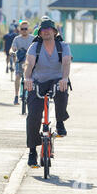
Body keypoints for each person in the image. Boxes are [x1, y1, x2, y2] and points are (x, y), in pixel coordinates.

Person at [23, 19, 72, 167]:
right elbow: (29, 63)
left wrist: (65, 78)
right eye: (43, 29)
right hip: (38, 81)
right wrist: (27, 78)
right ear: (39, 32)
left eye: (49, 29)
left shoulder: (62, 46)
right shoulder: (34, 47)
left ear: (54, 31)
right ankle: (32, 151)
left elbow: (66, 63)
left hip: (56, 80)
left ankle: (60, 122)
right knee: (33, 116)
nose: (46, 31)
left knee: (62, 89)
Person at [11, 20, 35, 105]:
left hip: (30, 62)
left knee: (33, 78)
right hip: (20, 61)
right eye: (22, 29)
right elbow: (13, 48)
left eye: (26, 28)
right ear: (19, 29)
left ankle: (32, 95)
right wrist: (12, 51)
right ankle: (16, 96)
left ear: (29, 29)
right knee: (17, 76)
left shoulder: (33, 38)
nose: (24, 30)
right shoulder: (17, 39)